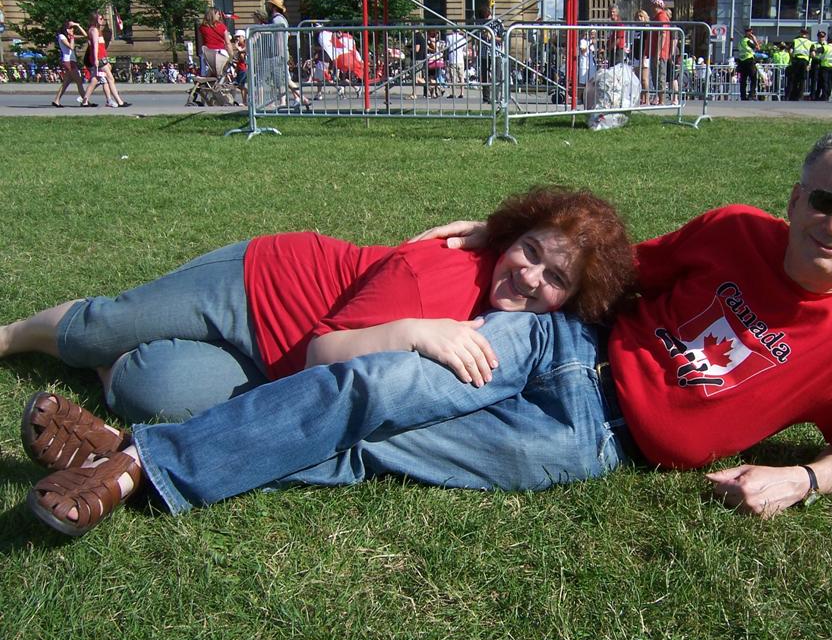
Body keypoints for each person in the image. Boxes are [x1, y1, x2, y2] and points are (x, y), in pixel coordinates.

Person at [21, 131, 832, 537]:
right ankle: (138, 466)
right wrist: (498, 232)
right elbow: (611, 265)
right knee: (377, 386)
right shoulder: (732, 230)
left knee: (379, 449)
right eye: (825, 199)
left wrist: (799, 479)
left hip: (589, 441)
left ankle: (130, 449)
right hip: (563, 351)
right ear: (796, 194)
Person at [4, 187, 633, 426]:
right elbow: (322, 352)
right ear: (512, 233)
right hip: (259, 287)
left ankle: (112, 370)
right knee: (97, 330)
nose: (528, 276)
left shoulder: (528, 320)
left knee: (154, 393)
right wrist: (414, 331)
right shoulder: (432, 280)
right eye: (527, 250)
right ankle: (16, 336)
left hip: (275, 366)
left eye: (555, 278)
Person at [80, 11, 129, 108]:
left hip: (101, 57)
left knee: (95, 79)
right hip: (100, 58)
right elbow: (95, 46)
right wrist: (96, 59)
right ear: (95, 20)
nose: (102, 20)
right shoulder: (94, 30)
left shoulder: (95, 30)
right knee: (110, 78)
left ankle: (85, 100)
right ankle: (119, 101)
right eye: (100, 19)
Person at [51, 20, 88, 108]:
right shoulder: (62, 36)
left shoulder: (69, 36)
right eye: (71, 28)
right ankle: (85, 101)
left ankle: (56, 101)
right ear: (66, 29)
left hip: (72, 61)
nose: (72, 30)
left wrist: (78, 26)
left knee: (66, 83)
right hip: (68, 61)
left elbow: (85, 36)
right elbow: (71, 47)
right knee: (79, 81)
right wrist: (71, 37)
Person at [647, 0, 671, 105]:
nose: (651, 8)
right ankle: (658, 97)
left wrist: (658, 52)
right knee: (655, 75)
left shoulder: (661, 16)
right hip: (655, 52)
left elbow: (663, 34)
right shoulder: (656, 17)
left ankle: (661, 100)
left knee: (660, 75)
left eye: (653, 6)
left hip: (660, 53)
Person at [198, 7, 234, 78]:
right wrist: (231, 55)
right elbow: (228, 43)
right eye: (218, 14)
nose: (219, 16)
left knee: (206, 76)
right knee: (223, 74)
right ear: (213, 15)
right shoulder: (222, 26)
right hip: (221, 53)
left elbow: (201, 42)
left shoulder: (202, 28)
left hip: (207, 53)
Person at [631, 8, 651, 104]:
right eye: (637, 17)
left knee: (644, 79)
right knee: (637, 79)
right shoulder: (635, 30)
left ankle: (647, 98)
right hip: (636, 56)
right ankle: (641, 98)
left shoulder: (647, 29)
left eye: (641, 16)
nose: (639, 18)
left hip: (645, 56)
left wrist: (644, 56)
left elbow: (647, 43)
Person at [787, 27, 813, 100]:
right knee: (802, 79)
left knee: (794, 78)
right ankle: (800, 95)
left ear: (801, 33)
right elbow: (813, 54)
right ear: (807, 35)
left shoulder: (795, 41)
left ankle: (793, 95)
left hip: (796, 61)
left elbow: (791, 51)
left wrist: (792, 58)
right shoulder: (810, 43)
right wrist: (809, 63)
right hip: (804, 61)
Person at [735, 27, 760, 101]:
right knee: (753, 79)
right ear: (749, 33)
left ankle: (743, 96)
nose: (752, 34)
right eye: (751, 33)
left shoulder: (740, 41)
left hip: (742, 62)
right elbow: (758, 48)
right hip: (749, 61)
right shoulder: (748, 41)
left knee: (743, 80)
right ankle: (751, 95)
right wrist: (754, 39)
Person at [444, 27, 468, 98]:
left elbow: (447, 47)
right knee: (461, 77)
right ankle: (462, 93)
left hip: (452, 59)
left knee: (453, 77)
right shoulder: (463, 38)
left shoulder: (449, 37)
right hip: (460, 60)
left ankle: (453, 93)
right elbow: (464, 49)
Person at [817, 35, 832, 101]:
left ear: (828, 40)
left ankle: (824, 96)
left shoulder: (825, 47)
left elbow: (817, 51)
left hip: (825, 66)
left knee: (825, 82)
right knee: (830, 82)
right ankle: (828, 95)